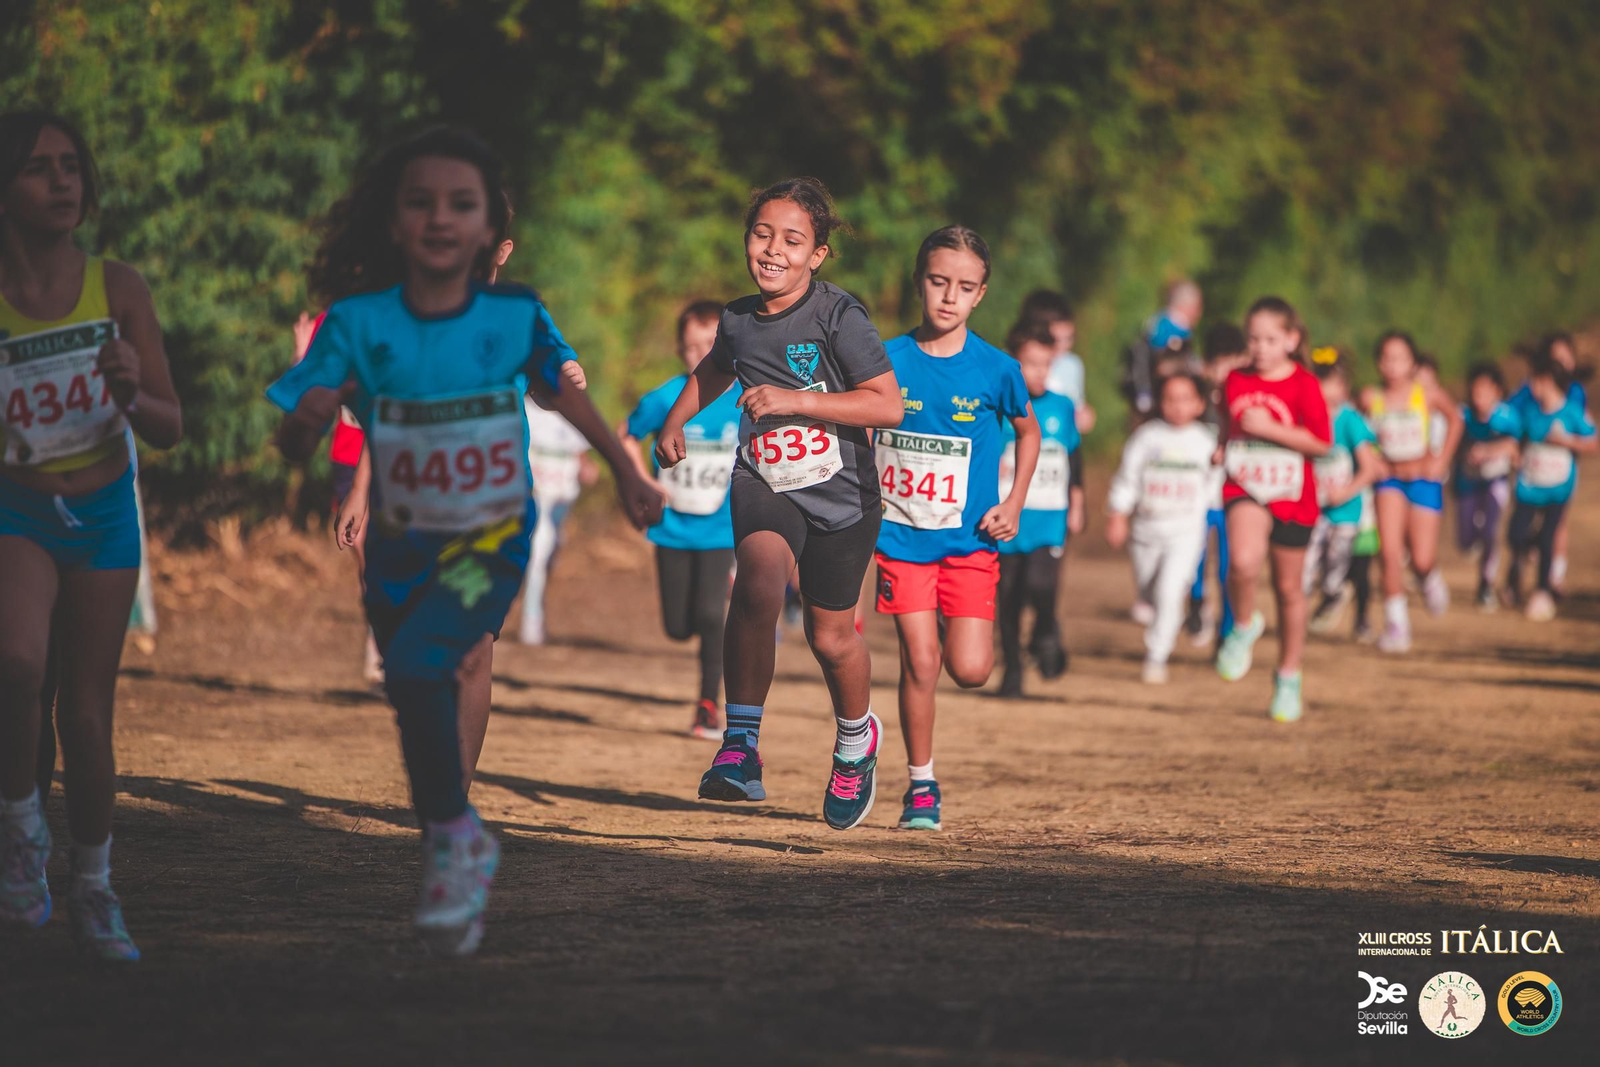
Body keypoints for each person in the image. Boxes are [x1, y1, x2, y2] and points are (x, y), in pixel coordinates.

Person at [269, 126, 660, 956]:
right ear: (393, 221)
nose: (441, 218)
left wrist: (625, 471)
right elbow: (356, 417)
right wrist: (327, 453)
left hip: (492, 523)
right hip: (405, 526)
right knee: (410, 668)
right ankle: (453, 821)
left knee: (458, 656)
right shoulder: (359, 319)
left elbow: (565, 397)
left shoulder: (514, 315)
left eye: (462, 204)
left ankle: (451, 827)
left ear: (490, 230)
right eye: (421, 202)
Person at [654, 177, 902, 831]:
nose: (773, 250)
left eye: (792, 240)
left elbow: (887, 402)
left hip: (843, 496)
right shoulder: (736, 318)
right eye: (762, 234)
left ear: (817, 254)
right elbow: (715, 367)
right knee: (758, 581)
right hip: (764, 477)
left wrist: (797, 400)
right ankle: (740, 746)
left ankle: (856, 742)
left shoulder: (837, 316)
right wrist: (676, 419)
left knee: (830, 637)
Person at [0, 110, 184, 961]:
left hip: (105, 509)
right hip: (19, 508)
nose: (62, 181)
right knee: (17, 662)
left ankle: (95, 886)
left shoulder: (119, 286)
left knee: (86, 711)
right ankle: (21, 834)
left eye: (71, 165)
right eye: (39, 168)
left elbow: (170, 424)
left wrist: (129, 390)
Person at [874, 226, 1038, 830]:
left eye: (964, 287)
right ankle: (921, 786)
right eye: (938, 282)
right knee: (920, 661)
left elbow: (1029, 431)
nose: (948, 296)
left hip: (970, 543)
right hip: (900, 540)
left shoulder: (998, 369)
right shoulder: (884, 358)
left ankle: (951, 641)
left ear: (981, 295)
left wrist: (1014, 502)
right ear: (920, 282)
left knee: (969, 670)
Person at [622, 299, 740, 738]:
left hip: (720, 529)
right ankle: (703, 622)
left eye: (710, 344)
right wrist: (642, 485)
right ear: (679, 349)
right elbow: (625, 436)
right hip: (670, 528)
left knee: (712, 615)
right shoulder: (667, 397)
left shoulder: (741, 398)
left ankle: (709, 705)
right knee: (677, 627)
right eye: (692, 346)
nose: (701, 355)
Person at [1214, 297, 1330, 722]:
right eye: (1253, 339)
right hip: (1245, 484)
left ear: (1291, 340)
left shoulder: (1305, 384)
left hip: (1293, 494)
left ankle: (1287, 675)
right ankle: (1244, 625)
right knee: (1243, 563)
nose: (1260, 348)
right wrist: (1221, 448)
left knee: (1288, 590)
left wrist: (1274, 430)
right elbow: (1228, 425)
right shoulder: (1235, 379)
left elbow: (1321, 443)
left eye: (1270, 339)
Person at [1105, 373, 1216, 683]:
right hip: (1145, 531)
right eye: (1170, 399)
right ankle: (1161, 623)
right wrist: (1118, 515)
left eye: (1185, 399)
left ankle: (1157, 655)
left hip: (1186, 531)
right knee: (1150, 591)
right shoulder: (1147, 437)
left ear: (1199, 404)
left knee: (1171, 591)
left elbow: (1216, 484)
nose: (1177, 406)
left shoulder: (1205, 441)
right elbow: (1127, 479)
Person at [997, 320, 1084, 697]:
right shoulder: (997, 407)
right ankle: (1013, 670)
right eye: (1030, 363)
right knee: (1008, 597)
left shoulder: (1062, 406)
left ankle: (1047, 628)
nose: (1039, 372)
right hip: (1006, 517)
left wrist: (1078, 500)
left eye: (1046, 364)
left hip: (1050, 516)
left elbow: (1074, 454)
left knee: (1041, 584)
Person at [1362, 331, 1463, 652]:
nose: (1393, 365)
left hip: (1423, 479)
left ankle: (1428, 577)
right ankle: (1396, 626)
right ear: (1379, 362)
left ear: (1412, 362)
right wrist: (1370, 459)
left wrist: (1442, 459)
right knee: (1389, 553)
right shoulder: (1369, 397)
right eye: (1387, 358)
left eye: (1400, 358)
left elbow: (1456, 419)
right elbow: (1352, 429)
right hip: (1388, 481)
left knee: (1421, 558)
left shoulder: (1427, 394)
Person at [1505, 354, 1595, 620]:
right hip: (1529, 485)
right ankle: (1529, 549)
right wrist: (1515, 454)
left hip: (1558, 487)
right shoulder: (1529, 411)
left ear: (1549, 382)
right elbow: (1517, 438)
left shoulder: (1572, 412)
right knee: (1515, 535)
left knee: (1548, 538)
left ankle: (1542, 592)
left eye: (1536, 380)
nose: (1532, 385)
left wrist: (1567, 442)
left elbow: (1592, 442)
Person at [1304, 348, 1382, 634]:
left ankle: (1335, 592)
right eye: (1319, 381)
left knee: (1336, 565)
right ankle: (1298, 616)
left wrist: (1345, 492)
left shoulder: (1350, 420)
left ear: (1344, 387)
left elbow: (1370, 468)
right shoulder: (1306, 417)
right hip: (1312, 509)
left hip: (1346, 511)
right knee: (1306, 565)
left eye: (1333, 382)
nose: (1325, 390)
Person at [1186, 323, 1249, 646]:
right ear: (1206, 364)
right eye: (1218, 363)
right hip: (1196, 497)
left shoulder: (1247, 402)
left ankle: (1226, 632)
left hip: (1232, 498)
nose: (1224, 371)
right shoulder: (1191, 401)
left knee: (1228, 567)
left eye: (1233, 362)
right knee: (1193, 559)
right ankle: (1196, 604)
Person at [519, 389, 597, 645]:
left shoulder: (571, 409)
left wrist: (587, 468)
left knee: (549, 554)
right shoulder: (524, 411)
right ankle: (531, 620)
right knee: (538, 553)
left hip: (563, 501)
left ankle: (536, 604)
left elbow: (580, 453)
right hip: (535, 498)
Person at [1452, 361, 1520, 610]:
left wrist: (1488, 451)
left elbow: (1515, 446)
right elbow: (1452, 445)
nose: (1478, 396)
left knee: (1492, 532)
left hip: (1496, 482)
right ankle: (1476, 545)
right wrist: (1465, 453)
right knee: (1465, 541)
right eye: (1475, 390)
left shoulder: (1507, 416)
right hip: (1467, 482)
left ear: (1497, 391)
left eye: (1485, 390)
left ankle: (1486, 583)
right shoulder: (1462, 416)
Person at [1018, 289, 1097, 434]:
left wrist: (1084, 416)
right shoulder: (1012, 361)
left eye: (1069, 338)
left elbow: (1077, 405)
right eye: (1057, 340)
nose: (1065, 346)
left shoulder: (1072, 364)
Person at [1126, 280, 1202, 418]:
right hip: (1160, 401)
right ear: (1187, 306)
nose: (1198, 314)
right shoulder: (1174, 327)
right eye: (1197, 307)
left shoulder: (1156, 323)